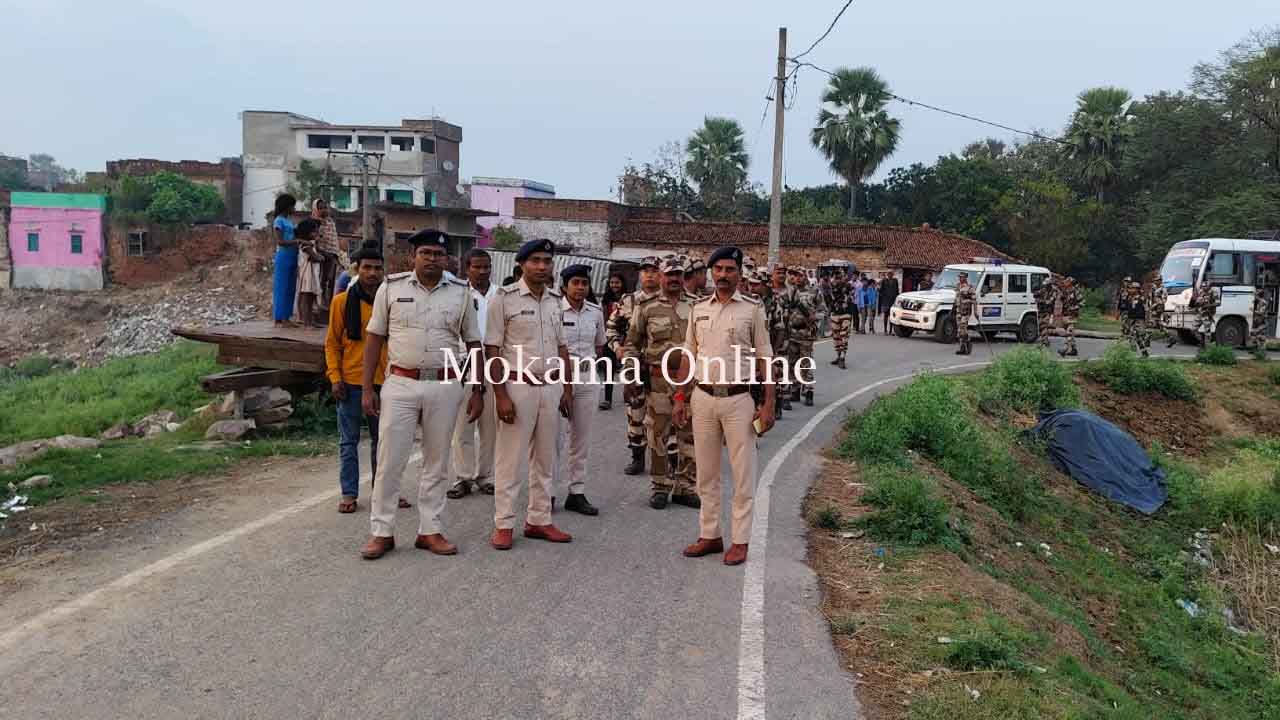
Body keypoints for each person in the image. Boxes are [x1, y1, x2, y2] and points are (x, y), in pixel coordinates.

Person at [358, 229, 484, 560]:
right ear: (412, 256)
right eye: (425, 253)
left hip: (444, 384)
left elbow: (473, 343)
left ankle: (430, 530)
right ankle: (381, 532)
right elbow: (374, 338)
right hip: (400, 383)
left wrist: (478, 389)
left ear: (447, 259)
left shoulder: (460, 292)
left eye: (438, 254)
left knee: (437, 461)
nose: (432, 259)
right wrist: (367, 387)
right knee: (390, 460)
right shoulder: (392, 287)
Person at [672, 246, 776, 566]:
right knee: (706, 473)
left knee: (743, 475)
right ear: (711, 273)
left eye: (730, 270)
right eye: (718, 270)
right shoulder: (699, 308)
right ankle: (710, 535)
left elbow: (765, 357)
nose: (723, 275)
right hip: (702, 398)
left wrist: (769, 403)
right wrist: (680, 397)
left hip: (738, 400)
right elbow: (689, 354)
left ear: (739, 273)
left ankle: (740, 540)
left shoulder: (752, 309)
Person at [484, 238, 576, 551]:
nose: (541, 267)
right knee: (509, 459)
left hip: (550, 387)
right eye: (535, 260)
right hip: (517, 386)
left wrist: (567, 388)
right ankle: (504, 523)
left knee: (546, 458)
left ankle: (539, 520)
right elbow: (492, 349)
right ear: (522, 264)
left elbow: (562, 345)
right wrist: (500, 396)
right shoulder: (504, 298)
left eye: (546, 261)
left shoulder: (554, 300)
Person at [625, 254, 700, 510]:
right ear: (660, 276)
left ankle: (686, 486)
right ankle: (660, 485)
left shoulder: (697, 306)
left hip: (689, 381)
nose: (674, 279)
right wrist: (632, 375)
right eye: (669, 275)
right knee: (658, 434)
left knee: (689, 434)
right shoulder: (645, 307)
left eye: (678, 274)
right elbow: (632, 345)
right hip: (658, 380)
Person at [326, 239, 391, 514]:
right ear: (357, 270)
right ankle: (349, 493)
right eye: (367, 268)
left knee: (385, 443)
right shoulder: (341, 303)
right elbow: (332, 343)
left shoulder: (390, 302)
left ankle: (383, 491)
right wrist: (334, 377)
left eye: (377, 268)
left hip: (385, 382)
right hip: (350, 382)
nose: (373, 273)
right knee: (348, 442)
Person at [554, 264, 606, 515]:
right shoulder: (553, 310)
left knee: (581, 440)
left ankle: (576, 492)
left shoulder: (595, 312)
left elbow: (599, 346)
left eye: (584, 283)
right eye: (575, 282)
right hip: (557, 379)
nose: (580, 287)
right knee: (553, 439)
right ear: (564, 286)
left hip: (586, 378)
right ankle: (548, 492)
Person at [448, 249, 500, 500]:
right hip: (464, 364)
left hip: (494, 365)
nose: (483, 271)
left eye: (486, 266)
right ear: (467, 268)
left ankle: (486, 476)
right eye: (477, 267)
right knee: (463, 424)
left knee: (490, 425)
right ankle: (463, 477)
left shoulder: (500, 295)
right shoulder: (457, 294)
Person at [608, 257, 661, 476]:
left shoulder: (668, 301)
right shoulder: (629, 301)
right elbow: (611, 328)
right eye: (645, 271)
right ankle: (637, 456)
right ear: (640, 275)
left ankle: (665, 459)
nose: (649, 275)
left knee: (661, 415)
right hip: (634, 366)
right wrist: (617, 348)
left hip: (660, 368)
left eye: (654, 271)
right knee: (635, 413)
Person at [783, 267, 819, 406]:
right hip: (791, 333)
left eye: (800, 275)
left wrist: (814, 318)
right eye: (795, 275)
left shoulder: (814, 292)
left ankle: (809, 391)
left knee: (805, 364)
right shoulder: (790, 292)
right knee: (792, 363)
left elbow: (823, 310)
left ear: (806, 276)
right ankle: (795, 391)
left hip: (806, 334)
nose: (798, 278)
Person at [598, 272, 628, 411]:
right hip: (609, 337)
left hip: (626, 337)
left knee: (628, 367)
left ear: (622, 284)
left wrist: (625, 337)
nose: (614, 285)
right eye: (612, 283)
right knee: (608, 368)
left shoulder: (628, 299)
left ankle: (628, 393)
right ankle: (607, 399)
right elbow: (603, 318)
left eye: (617, 282)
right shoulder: (606, 300)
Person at [271, 194, 301, 327]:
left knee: (291, 287)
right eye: (292, 206)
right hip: (284, 256)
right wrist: (297, 241)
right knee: (282, 287)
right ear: (287, 206)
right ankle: (281, 318)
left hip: (293, 256)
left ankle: (286, 317)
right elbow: (280, 241)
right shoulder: (278, 221)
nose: (294, 208)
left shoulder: (289, 220)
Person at [766, 265, 792, 414]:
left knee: (782, 366)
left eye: (784, 272)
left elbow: (798, 308)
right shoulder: (767, 291)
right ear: (772, 275)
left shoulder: (791, 291)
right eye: (778, 272)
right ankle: (775, 399)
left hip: (785, 334)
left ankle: (783, 398)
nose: (781, 275)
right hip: (768, 335)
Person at [295, 218, 324, 329]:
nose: (317, 233)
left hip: (312, 274)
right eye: (314, 231)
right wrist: (320, 257)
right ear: (307, 233)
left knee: (311, 298)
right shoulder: (306, 245)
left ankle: (311, 321)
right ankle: (306, 322)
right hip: (307, 275)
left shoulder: (311, 244)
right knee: (306, 298)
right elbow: (315, 257)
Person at [312, 199, 341, 311]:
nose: (324, 210)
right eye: (321, 208)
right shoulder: (314, 223)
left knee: (330, 282)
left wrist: (335, 255)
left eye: (325, 207)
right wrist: (323, 253)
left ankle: (328, 306)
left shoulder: (330, 222)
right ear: (315, 209)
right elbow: (314, 241)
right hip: (320, 256)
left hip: (332, 256)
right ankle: (318, 305)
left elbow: (333, 240)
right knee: (320, 281)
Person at [827, 271, 854, 369]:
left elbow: (851, 296)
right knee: (836, 337)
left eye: (839, 277)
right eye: (836, 277)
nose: (837, 280)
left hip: (845, 314)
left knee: (844, 336)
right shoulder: (831, 287)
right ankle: (838, 357)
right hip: (835, 314)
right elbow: (830, 300)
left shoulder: (848, 286)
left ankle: (842, 358)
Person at [1119, 280, 1150, 357]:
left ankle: (1143, 347)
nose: (1130, 290)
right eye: (1130, 288)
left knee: (1137, 335)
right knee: (1133, 336)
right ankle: (1138, 353)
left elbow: (1147, 310)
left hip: (1139, 320)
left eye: (1132, 288)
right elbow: (1126, 308)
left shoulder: (1142, 299)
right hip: (1131, 319)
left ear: (1137, 289)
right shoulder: (1129, 298)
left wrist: (1147, 321)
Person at [1192, 277, 1219, 349]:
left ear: (1209, 286)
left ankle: (1208, 347)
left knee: (1207, 331)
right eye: (1203, 286)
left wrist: (1208, 305)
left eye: (1205, 286)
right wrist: (1197, 304)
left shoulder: (1213, 292)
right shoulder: (1201, 291)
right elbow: (1197, 301)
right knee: (1193, 329)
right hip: (1200, 313)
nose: (1204, 288)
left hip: (1207, 313)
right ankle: (1201, 341)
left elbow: (1218, 303)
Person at [954, 271, 976, 355]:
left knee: (963, 328)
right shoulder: (957, 286)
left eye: (962, 277)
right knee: (959, 330)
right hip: (958, 311)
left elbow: (974, 301)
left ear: (966, 278)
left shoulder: (970, 288)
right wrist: (953, 309)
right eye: (959, 277)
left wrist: (975, 312)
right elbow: (956, 298)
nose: (960, 278)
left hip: (966, 311)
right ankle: (962, 348)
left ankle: (968, 343)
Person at [1059, 278, 1082, 357]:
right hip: (1065, 314)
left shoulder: (1075, 291)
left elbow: (1082, 302)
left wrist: (1074, 308)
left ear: (1071, 283)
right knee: (1069, 333)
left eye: (1067, 281)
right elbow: (1062, 300)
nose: (1065, 282)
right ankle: (1074, 349)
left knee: (1069, 332)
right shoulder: (1065, 291)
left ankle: (1065, 349)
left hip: (1072, 315)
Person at [1035, 276, 1059, 351]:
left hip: (1048, 311)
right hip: (1041, 310)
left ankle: (1044, 343)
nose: (1045, 286)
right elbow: (1036, 294)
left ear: (1050, 284)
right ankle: (1045, 341)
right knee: (1040, 326)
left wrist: (1042, 301)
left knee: (1044, 326)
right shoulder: (1044, 289)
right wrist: (1037, 295)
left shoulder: (1054, 290)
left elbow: (1050, 301)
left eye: (1046, 285)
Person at [1252, 282, 1269, 359]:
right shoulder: (1258, 302)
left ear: (1258, 295)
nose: (1254, 296)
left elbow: (1261, 313)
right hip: (1258, 322)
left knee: (1261, 337)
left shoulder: (1263, 302)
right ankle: (1256, 350)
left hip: (1262, 322)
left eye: (1256, 295)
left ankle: (1262, 353)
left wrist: (1253, 311)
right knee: (1255, 336)